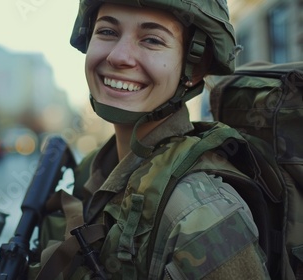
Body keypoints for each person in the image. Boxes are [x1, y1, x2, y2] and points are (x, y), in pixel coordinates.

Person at [27, 0, 269, 279]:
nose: (119, 57)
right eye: (107, 32)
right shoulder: (94, 171)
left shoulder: (200, 213)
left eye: (152, 40)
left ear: (196, 67)